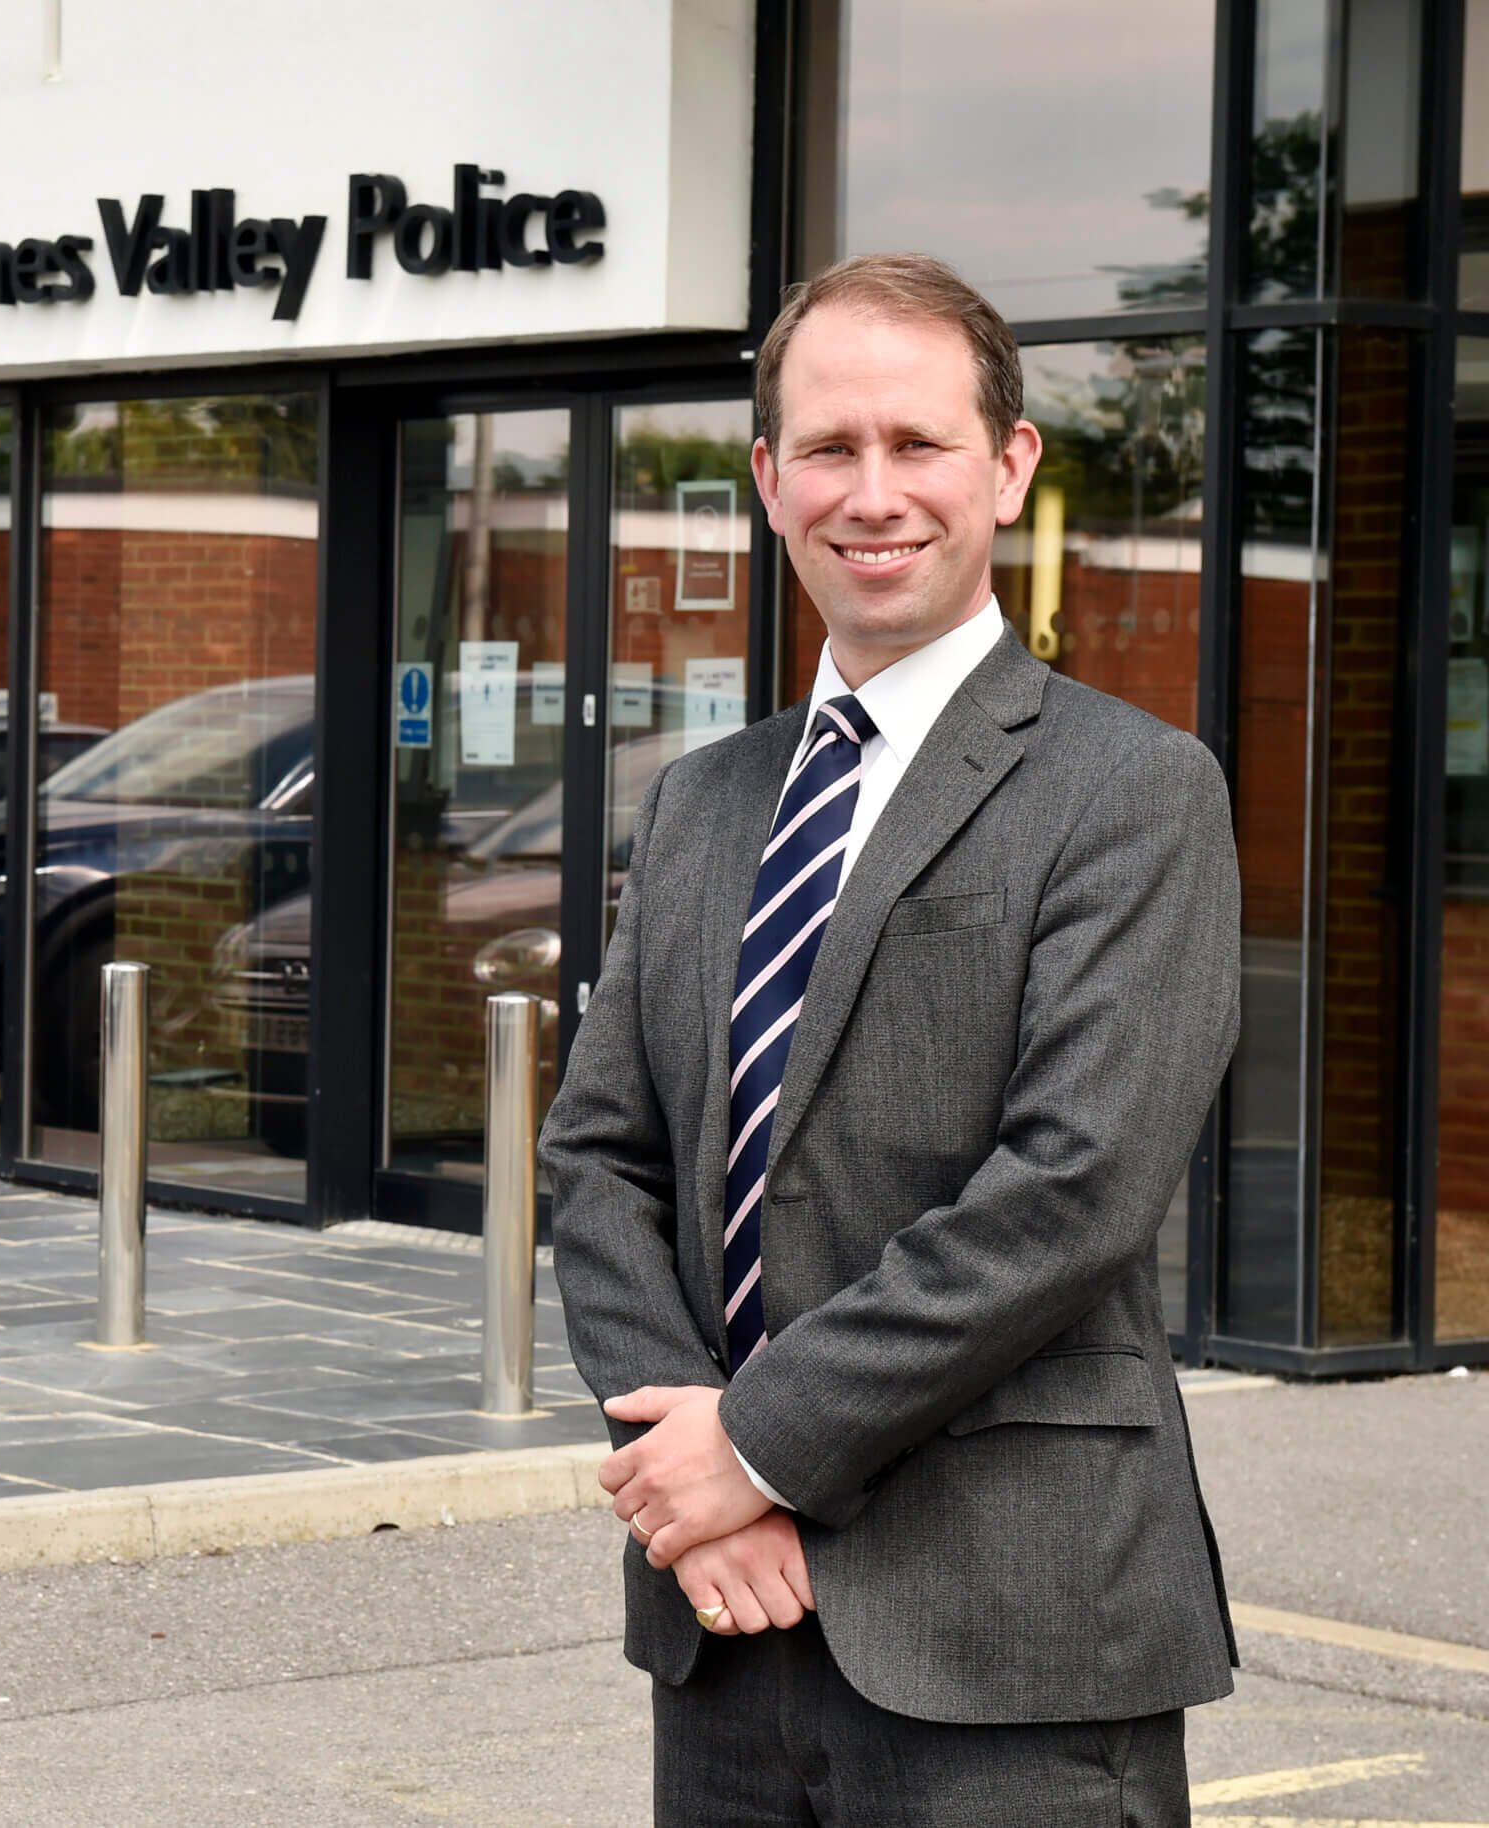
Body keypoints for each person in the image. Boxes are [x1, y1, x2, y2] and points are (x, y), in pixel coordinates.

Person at [544, 252, 1241, 1825]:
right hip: (725, 1631)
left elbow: (1071, 1191)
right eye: (831, 449)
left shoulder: (1132, 790)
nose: (874, 493)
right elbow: (598, 1157)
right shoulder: (705, 799)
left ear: (1007, 468)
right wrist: (691, 1484)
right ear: (768, 480)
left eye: (918, 445)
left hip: (1011, 1638)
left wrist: (761, 1448)